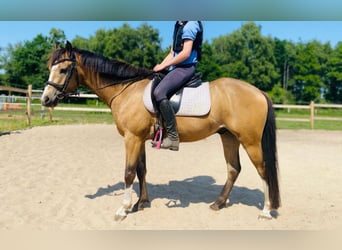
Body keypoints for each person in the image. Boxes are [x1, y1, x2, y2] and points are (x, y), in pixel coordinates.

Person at [152, 21, 203, 151]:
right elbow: (172, 53)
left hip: (185, 68)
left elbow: (186, 53)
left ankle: (173, 138)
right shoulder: (179, 25)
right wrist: (159, 67)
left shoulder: (190, 25)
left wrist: (164, 66)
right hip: (175, 67)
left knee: (159, 92)